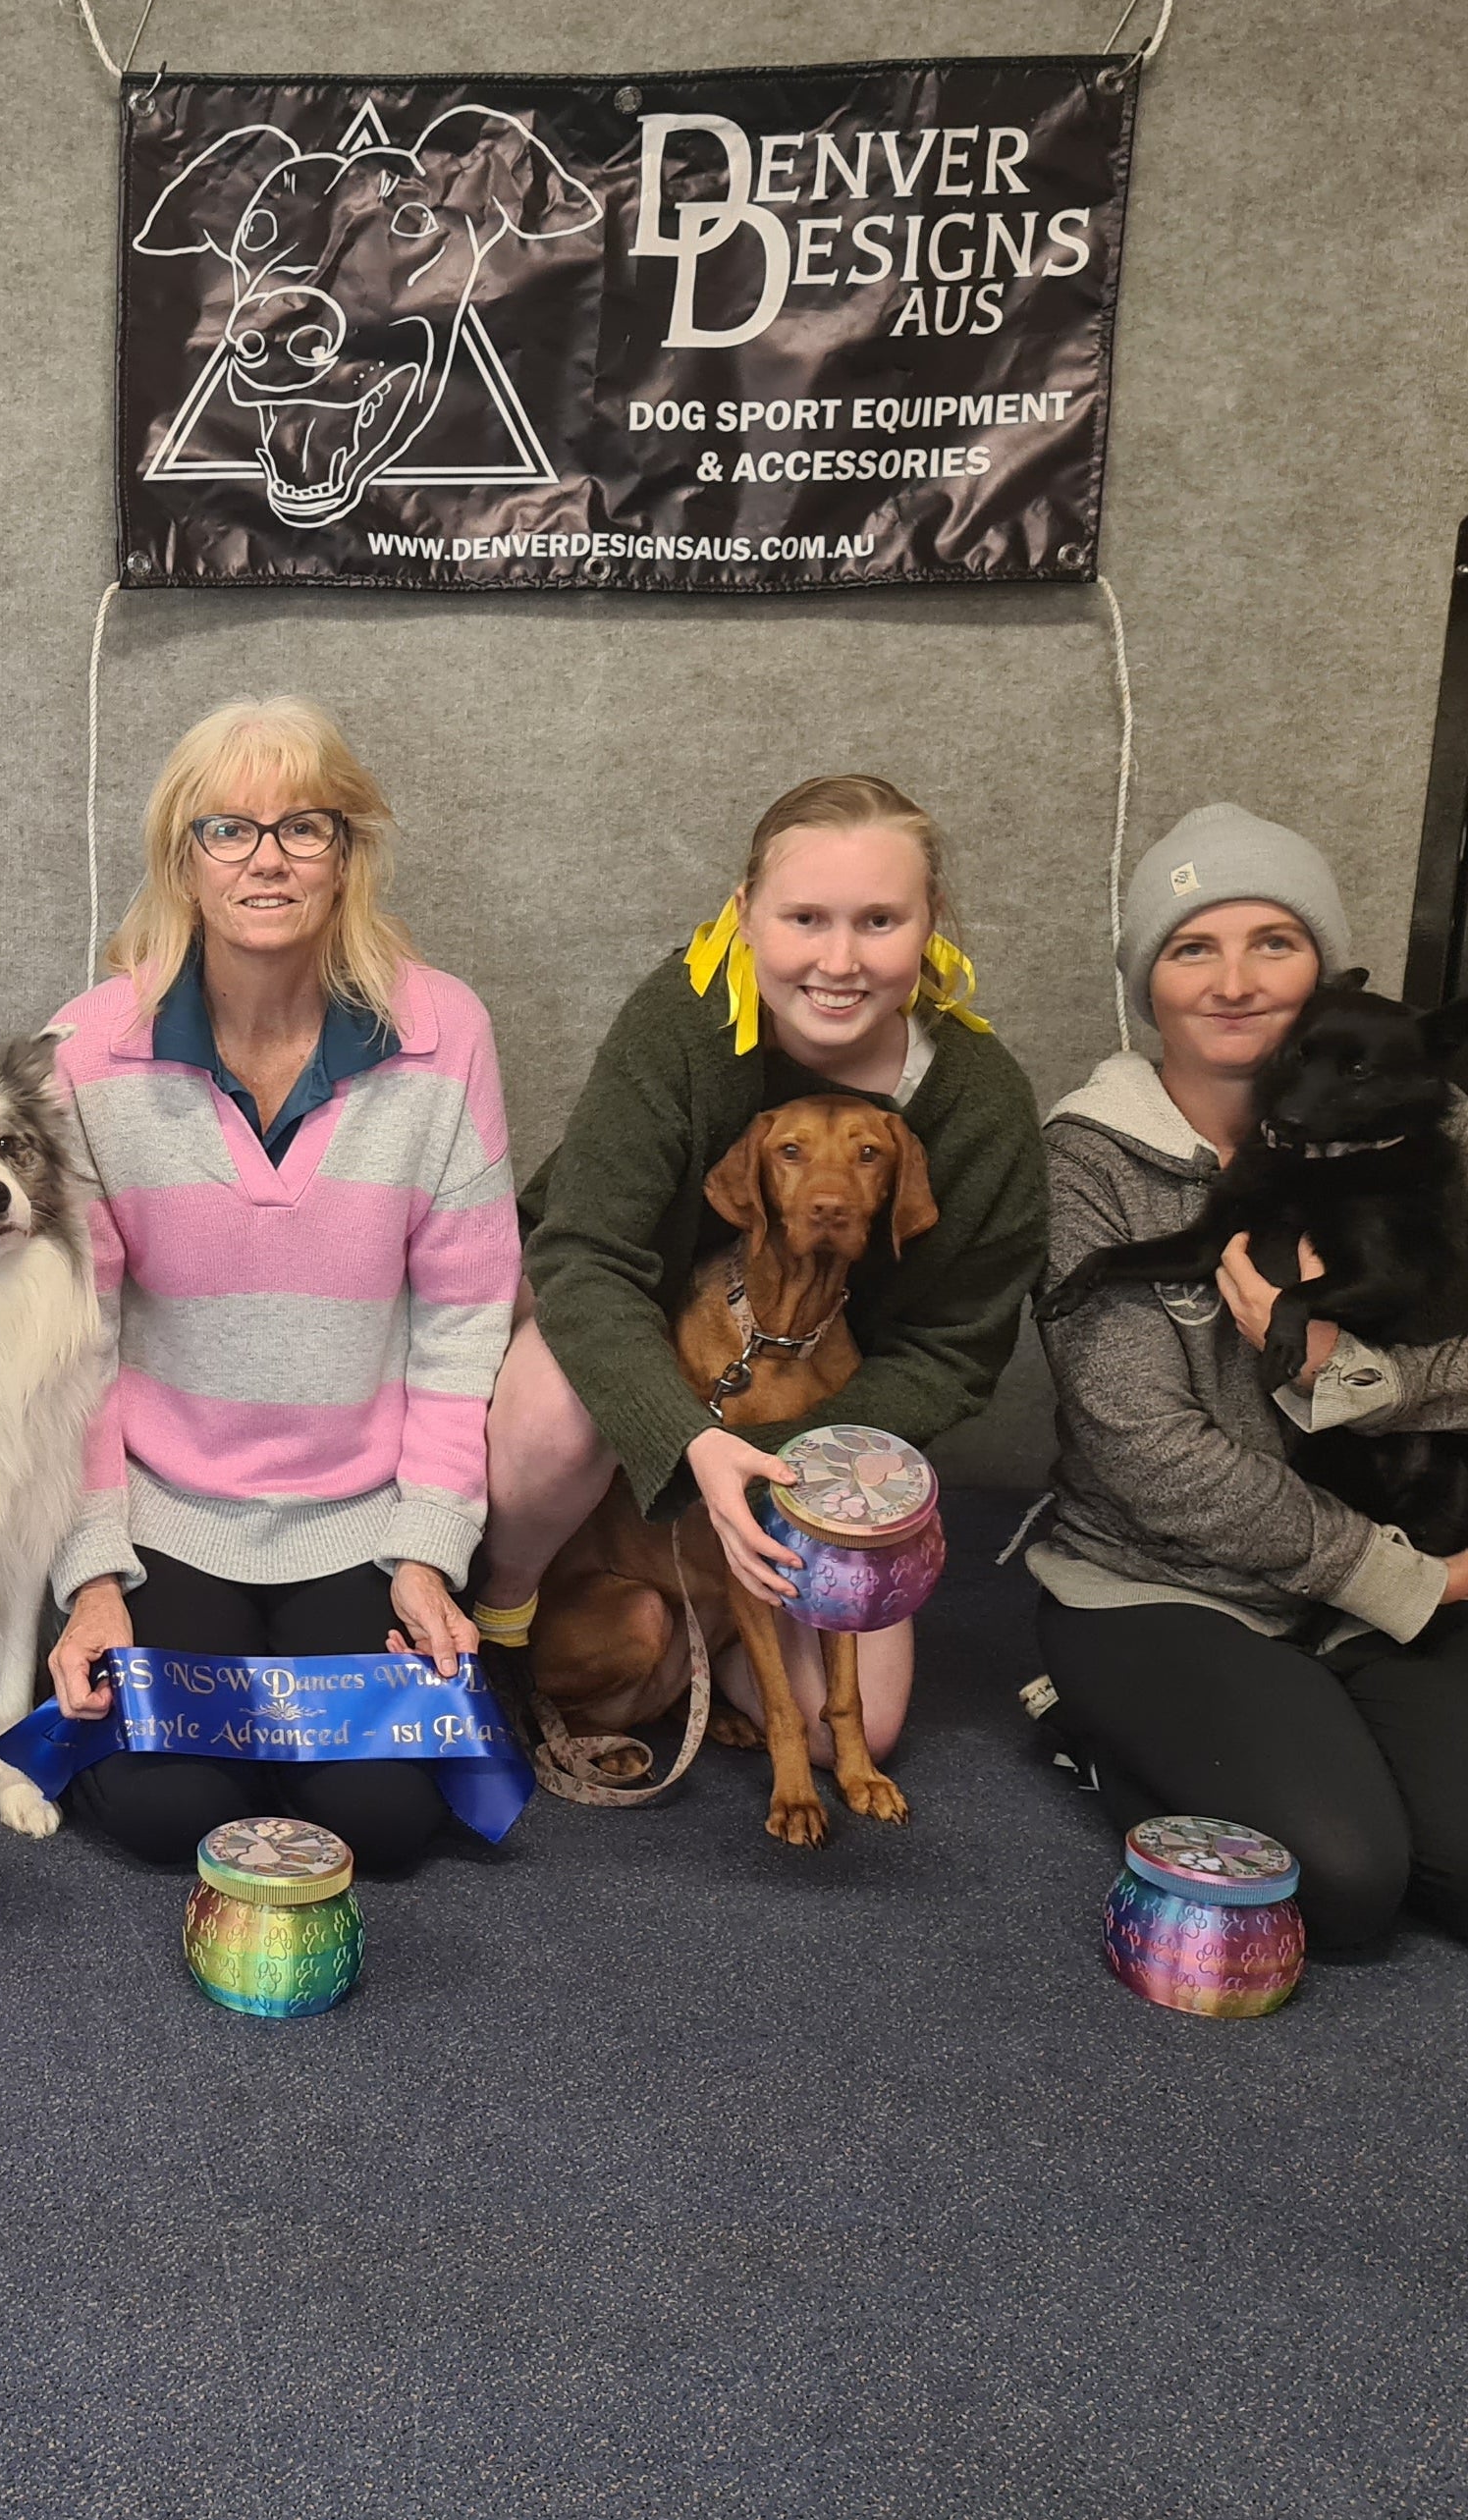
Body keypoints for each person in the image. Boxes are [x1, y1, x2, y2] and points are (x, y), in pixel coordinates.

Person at [474, 773, 1046, 1756]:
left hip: (806, 1390)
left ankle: (682, 1638)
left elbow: (954, 1353)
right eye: (804, 918)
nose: (838, 960)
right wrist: (693, 1442)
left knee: (857, 1734)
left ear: (930, 923)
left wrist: (791, 1472)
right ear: (744, 917)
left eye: (877, 921)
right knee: (558, 1412)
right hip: (610, 1307)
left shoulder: (977, 1103)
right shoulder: (689, 1023)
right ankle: (501, 1622)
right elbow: (587, 1259)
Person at [40, 696, 517, 1875]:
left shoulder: (444, 1032)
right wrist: (93, 1575)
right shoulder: (88, 1053)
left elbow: (462, 1332)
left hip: (359, 1515)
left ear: (348, 855)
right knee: (164, 1812)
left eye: (305, 827)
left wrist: (426, 1552)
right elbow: (73, 1344)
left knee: (388, 1824)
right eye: (227, 830)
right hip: (165, 1513)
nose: (266, 858)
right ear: (179, 860)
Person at [1031, 804, 1468, 1951]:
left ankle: (1316, 1723)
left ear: (1323, 974)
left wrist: (1353, 1374)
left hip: (1376, 1568)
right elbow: (1148, 1450)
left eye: (1272, 942)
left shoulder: (1424, 1128)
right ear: (1149, 983)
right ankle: (1095, 1726)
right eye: (1191, 948)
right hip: (1164, 1581)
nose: (1234, 982)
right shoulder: (1089, 1160)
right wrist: (1406, 1582)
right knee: (1341, 1885)